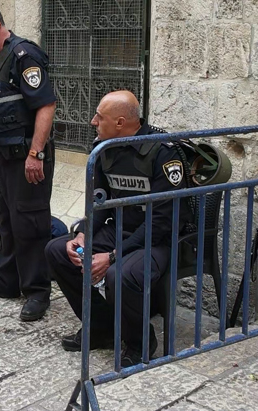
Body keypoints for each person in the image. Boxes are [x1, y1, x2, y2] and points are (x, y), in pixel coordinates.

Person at [44, 90, 192, 365]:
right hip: (121, 228)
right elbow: (99, 203)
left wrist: (113, 255)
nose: (92, 121)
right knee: (58, 250)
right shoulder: (104, 150)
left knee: (118, 274)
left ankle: (140, 343)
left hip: (158, 238)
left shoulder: (162, 152)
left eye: (100, 117)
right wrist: (83, 235)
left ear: (121, 123)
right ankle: (102, 328)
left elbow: (162, 222)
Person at [0, 2, 57, 322]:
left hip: (27, 156)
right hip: (3, 155)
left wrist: (36, 154)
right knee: (7, 222)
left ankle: (36, 291)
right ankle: (7, 280)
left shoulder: (24, 56)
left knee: (30, 223)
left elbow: (45, 105)